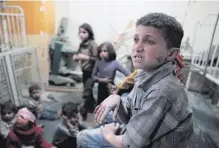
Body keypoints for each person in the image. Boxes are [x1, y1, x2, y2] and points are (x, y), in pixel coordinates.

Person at [77, 13, 193, 148]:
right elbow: (129, 115)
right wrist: (117, 100)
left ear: (171, 54)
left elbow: (129, 144)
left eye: (149, 41)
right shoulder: (145, 74)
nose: (137, 47)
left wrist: (109, 135)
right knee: (104, 115)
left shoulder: (163, 92)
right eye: (136, 39)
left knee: (83, 138)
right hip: (136, 134)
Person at [73, 23, 98, 120]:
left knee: (86, 93)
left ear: (89, 33)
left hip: (92, 72)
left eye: (84, 32)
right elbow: (77, 53)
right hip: (85, 71)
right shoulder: (81, 44)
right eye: (80, 32)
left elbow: (97, 59)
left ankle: (82, 114)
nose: (81, 34)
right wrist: (75, 57)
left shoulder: (92, 44)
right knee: (89, 92)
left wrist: (85, 57)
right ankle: (93, 109)